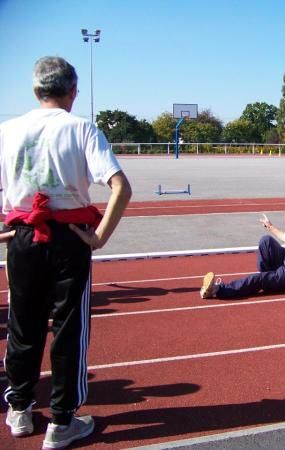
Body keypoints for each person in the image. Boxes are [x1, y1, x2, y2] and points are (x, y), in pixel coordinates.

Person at [1, 57, 132, 448]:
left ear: (35, 90)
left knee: (22, 326)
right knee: (68, 329)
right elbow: (120, 188)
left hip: (22, 238)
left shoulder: (7, 131)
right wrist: (100, 236)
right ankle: (62, 421)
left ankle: (20, 410)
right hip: (69, 239)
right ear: (73, 91)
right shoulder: (82, 129)